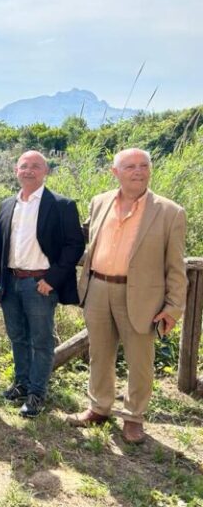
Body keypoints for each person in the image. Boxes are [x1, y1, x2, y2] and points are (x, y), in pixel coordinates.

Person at [66, 148, 187, 444]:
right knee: (100, 355)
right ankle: (99, 407)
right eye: (130, 166)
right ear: (115, 172)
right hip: (97, 289)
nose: (138, 171)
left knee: (140, 361)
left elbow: (176, 265)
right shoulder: (99, 202)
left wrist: (173, 309)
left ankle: (133, 417)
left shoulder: (170, 211)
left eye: (143, 165)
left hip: (142, 296)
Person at [0, 150, 85, 417]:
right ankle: (20, 385)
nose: (29, 170)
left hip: (39, 284)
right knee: (17, 337)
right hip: (10, 281)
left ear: (46, 172)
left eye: (35, 166)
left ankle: (36, 393)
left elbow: (75, 244)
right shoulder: (8, 204)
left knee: (41, 341)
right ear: (15, 171)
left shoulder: (61, 204)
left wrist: (52, 280)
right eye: (24, 166)